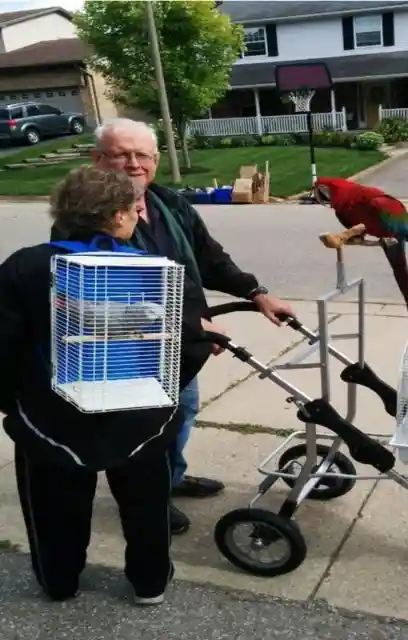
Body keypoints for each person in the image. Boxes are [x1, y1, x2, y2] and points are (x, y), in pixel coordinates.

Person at [50, 118, 295, 536]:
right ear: (97, 160)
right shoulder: (81, 221)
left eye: (142, 154)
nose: (133, 163)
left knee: (181, 412)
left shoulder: (170, 204)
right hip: (129, 350)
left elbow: (210, 257)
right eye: (120, 154)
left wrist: (257, 292)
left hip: (186, 344)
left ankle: (171, 478)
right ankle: (149, 498)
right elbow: (111, 296)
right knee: (142, 427)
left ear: (156, 160)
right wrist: (187, 323)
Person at [0, 166, 217, 605]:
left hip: (50, 420)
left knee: (54, 511)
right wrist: (164, 395)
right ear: (117, 216)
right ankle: (150, 584)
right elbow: (191, 345)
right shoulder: (160, 271)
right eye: (134, 209)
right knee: (146, 508)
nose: (139, 215)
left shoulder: (25, 266)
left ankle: (59, 583)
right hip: (142, 419)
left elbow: (2, 347)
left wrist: (14, 404)